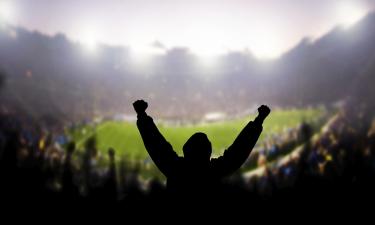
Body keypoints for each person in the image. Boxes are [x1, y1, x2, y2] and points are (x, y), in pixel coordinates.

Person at [133, 99, 270, 198]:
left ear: (186, 150)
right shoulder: (215, 170)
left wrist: (142, 115)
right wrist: (259, 120)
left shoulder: (176, 169)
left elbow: (157, 145)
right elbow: (238, 152)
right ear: (209, 152)